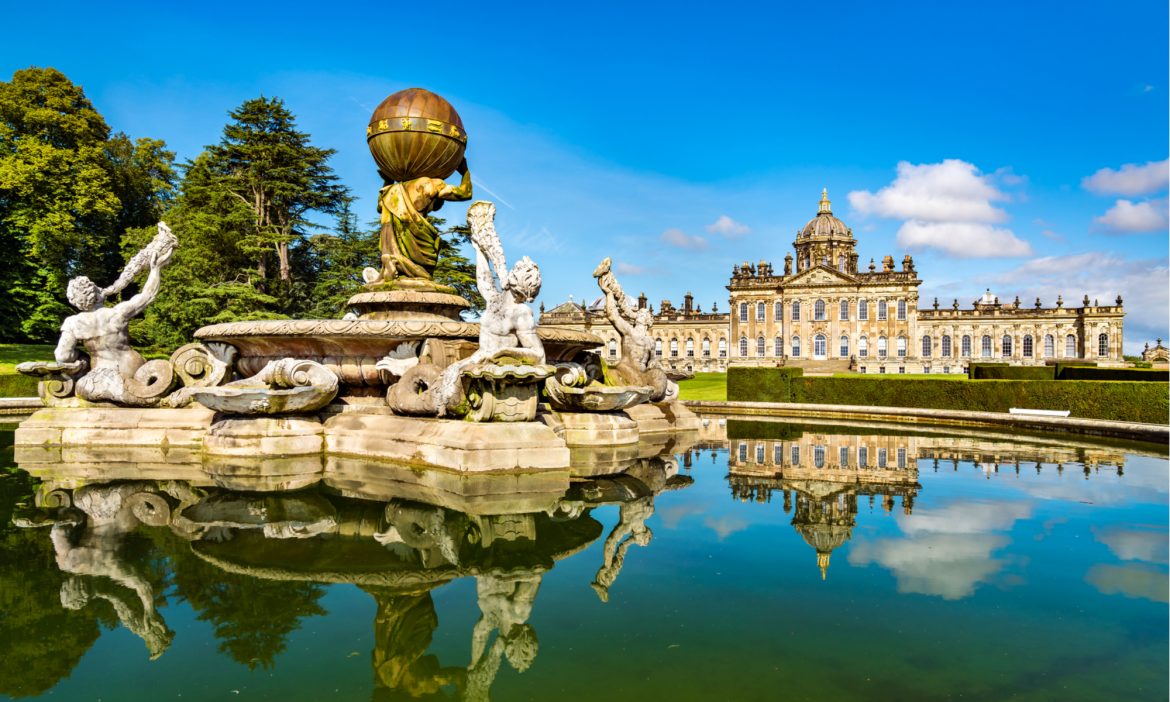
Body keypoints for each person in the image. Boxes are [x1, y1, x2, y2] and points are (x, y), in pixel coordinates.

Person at [55, 223, 177, 405]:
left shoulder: (73, 323)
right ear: (95, 294)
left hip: (98, 376)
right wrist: (155, 269)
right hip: (132, 369)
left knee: (86, 390)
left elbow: (62, 356)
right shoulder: (116, 313)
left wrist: (81, 359)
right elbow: (147, 295)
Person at [370, 158, 473, 282]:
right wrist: (464, 171)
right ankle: (396, 261)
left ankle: (393, 261)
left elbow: (379, 207)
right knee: (425, 274)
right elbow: (465, 193)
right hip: (417, 233)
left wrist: (388, 179)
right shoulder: (432, 184)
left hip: (389, 236)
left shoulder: (390, 190)